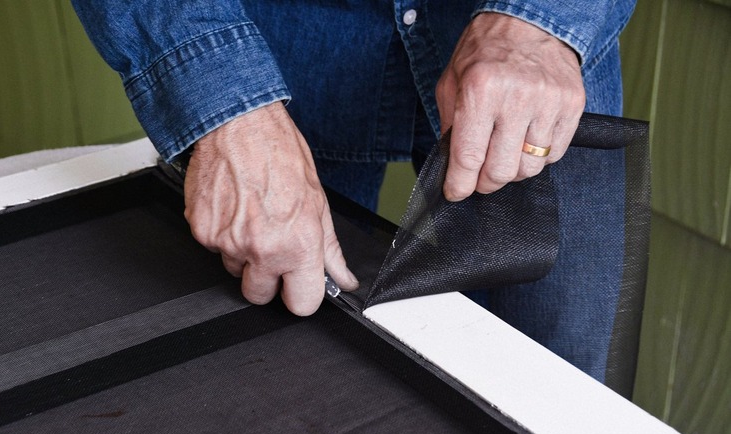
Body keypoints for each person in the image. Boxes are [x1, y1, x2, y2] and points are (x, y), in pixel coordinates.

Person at [72, 1, 636, 383]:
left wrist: (543, 19)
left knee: (557, 390)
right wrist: (226, 109)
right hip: (280, 58)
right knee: (282, 379)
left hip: (538, 74)